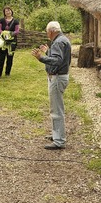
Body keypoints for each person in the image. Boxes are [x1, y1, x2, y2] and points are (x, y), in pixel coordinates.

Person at [31, 21, 72, 150]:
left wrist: (41, 58)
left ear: (51, 31)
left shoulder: (58, 42)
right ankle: (57, 134)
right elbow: (59, 57)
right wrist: (48, 51)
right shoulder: (62, 39)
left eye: (47, 31)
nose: (47, 34)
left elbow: (57, 61)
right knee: (56, 108)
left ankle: (59, 140)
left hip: (58, 77)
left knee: (56, 110)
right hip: (61, 76)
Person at [0, 6, 20, 78]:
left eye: (9, 10)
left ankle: (7, 73)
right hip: (3, 42)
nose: (8, 12)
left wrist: (10, 34)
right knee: (1, 58)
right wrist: (4, 34)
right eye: (6, 11)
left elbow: (17, 31)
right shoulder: (1, 20)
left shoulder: (15, 21)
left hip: (12, 42)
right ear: (4, 13)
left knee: (10, 57)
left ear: (11, 11)